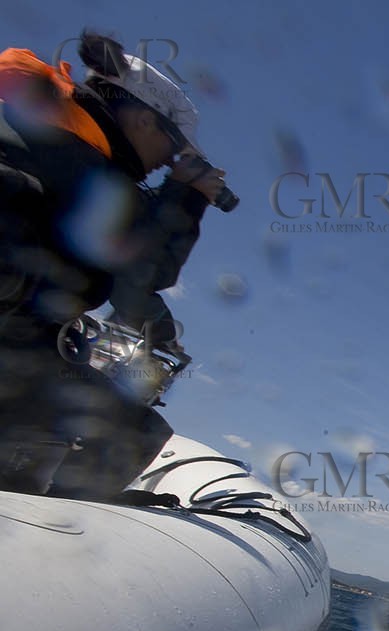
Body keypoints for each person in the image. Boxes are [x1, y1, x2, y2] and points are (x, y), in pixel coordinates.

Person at [0, 32, 228, 498]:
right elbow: (147, 272)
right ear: (144, 120)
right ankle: (53, 538)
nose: (169, 159)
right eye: (172, 144)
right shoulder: (91, 173)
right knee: (131, 430)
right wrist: (187, 194)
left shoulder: (37, 132)